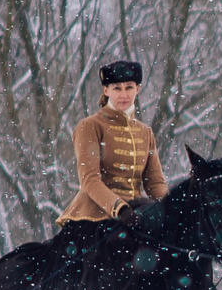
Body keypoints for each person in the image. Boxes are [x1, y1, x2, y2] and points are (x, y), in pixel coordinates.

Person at [58, 59, 167, 229]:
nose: (123, 94)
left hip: (136, 216)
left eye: (129, 87)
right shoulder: (90, 126)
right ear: (106, 90)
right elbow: (89, 179)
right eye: (117, 88)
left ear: (137, 89)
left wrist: (172, 208)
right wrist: (119, 208)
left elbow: (154, 182)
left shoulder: (145, 132)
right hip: (94, 218)